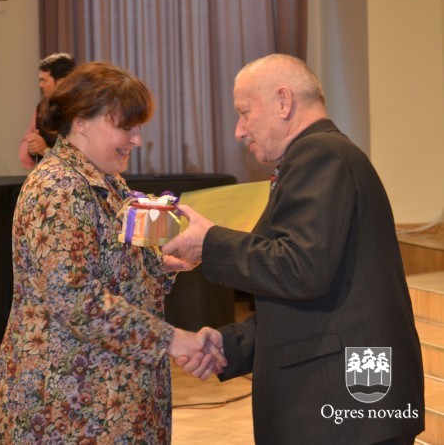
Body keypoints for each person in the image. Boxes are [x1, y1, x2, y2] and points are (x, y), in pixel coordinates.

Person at [163, 54, 425, 444]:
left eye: (245, 113)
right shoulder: (325, 154)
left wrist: (210, 243)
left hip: (345, 406)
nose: (239, 131)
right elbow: (322, 296)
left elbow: (299, 270)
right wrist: (230, 345)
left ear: (284, 101)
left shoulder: (319, 154)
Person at [0, 61, 225, 443]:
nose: (137, 140)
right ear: (81, 121)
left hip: (111, 393)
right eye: (126, 127)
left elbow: (109, 266)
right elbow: (76, 302)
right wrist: (171, 339)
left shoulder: (105, 178)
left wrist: (163, 265)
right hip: (68, 405)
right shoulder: (57, 188)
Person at [18, 52, 76, 169]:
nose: (40, 85)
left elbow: (81, 160)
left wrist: (45, 150)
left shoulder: (80, 110)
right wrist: (31, 148)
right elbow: (26, 143)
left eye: (44, 80)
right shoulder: (41, 108)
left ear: (62, 82)